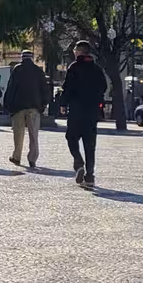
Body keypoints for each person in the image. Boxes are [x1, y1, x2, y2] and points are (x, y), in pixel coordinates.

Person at [61, 42, 110, 188]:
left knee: (71, 137)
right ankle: (89, 176)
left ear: (80, 52)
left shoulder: (74, 67)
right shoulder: (97, 69)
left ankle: (78, 162)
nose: (74, 52)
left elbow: (68, 86)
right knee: (90, 144)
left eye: (75, 50)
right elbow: (103, 87)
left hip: (77, 109)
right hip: (92, 111)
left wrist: (63, 104)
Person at [2, 49, 47, 167]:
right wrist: (43, 105)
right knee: (34, 134)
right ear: (32, 58)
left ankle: (16, 157)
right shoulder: (38, 70)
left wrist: (7, 105)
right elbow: (45, 89)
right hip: (34, 106)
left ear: (22, 58)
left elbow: (11, 88)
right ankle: (32, 158)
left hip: (18, 106)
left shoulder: (17, 69)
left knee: (18, 133)